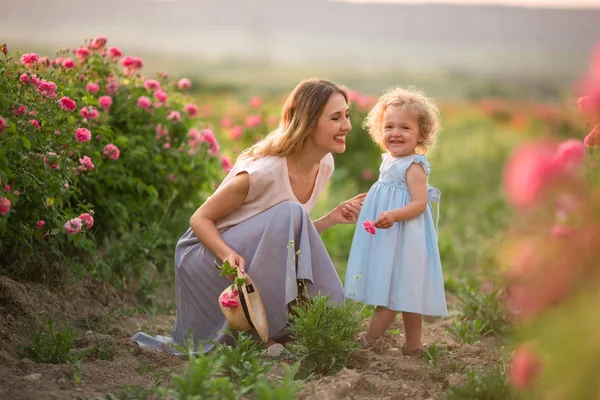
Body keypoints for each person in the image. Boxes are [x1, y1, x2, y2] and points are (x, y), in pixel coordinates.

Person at [169, 78, 365, 356]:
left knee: (291, 214)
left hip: (248, 253)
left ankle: (319, 322)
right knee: (290, 211)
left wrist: (330, 218)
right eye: (335, 118)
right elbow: (199, 219)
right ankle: (265, 334)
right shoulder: (263, 173)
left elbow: (285, 237)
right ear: (308, 122)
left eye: (347, 115)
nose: (346, 125)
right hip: (205, 254)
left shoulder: (324, 165)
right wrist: (226, 255)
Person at [343, 86, 448, 357]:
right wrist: (372, 200)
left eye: (405, 127)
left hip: (407, 236)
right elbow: (388, 191)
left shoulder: (414, 166)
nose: (396, 133)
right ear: (381, 131)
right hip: (392, 236)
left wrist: (393, 214)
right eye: (389, 126)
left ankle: (368, 340)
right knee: (407, 292)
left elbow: (418, 203)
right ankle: (413, 347)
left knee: (395, 291)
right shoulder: (388, 161)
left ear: (420, 134)